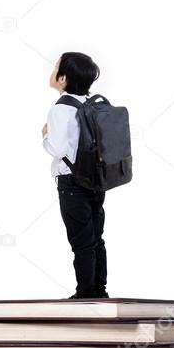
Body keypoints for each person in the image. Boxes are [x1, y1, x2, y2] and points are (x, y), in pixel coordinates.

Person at [42, 52, 108, 299]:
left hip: (71, 181)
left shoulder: (60, 109)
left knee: (80, 240)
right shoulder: (92, 103)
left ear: (62, 79)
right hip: (96, 179)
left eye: (55, 67)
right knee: (95, 237)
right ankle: (99, 290)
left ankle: (84, 293)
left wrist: (45, 135)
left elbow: (58, 149)